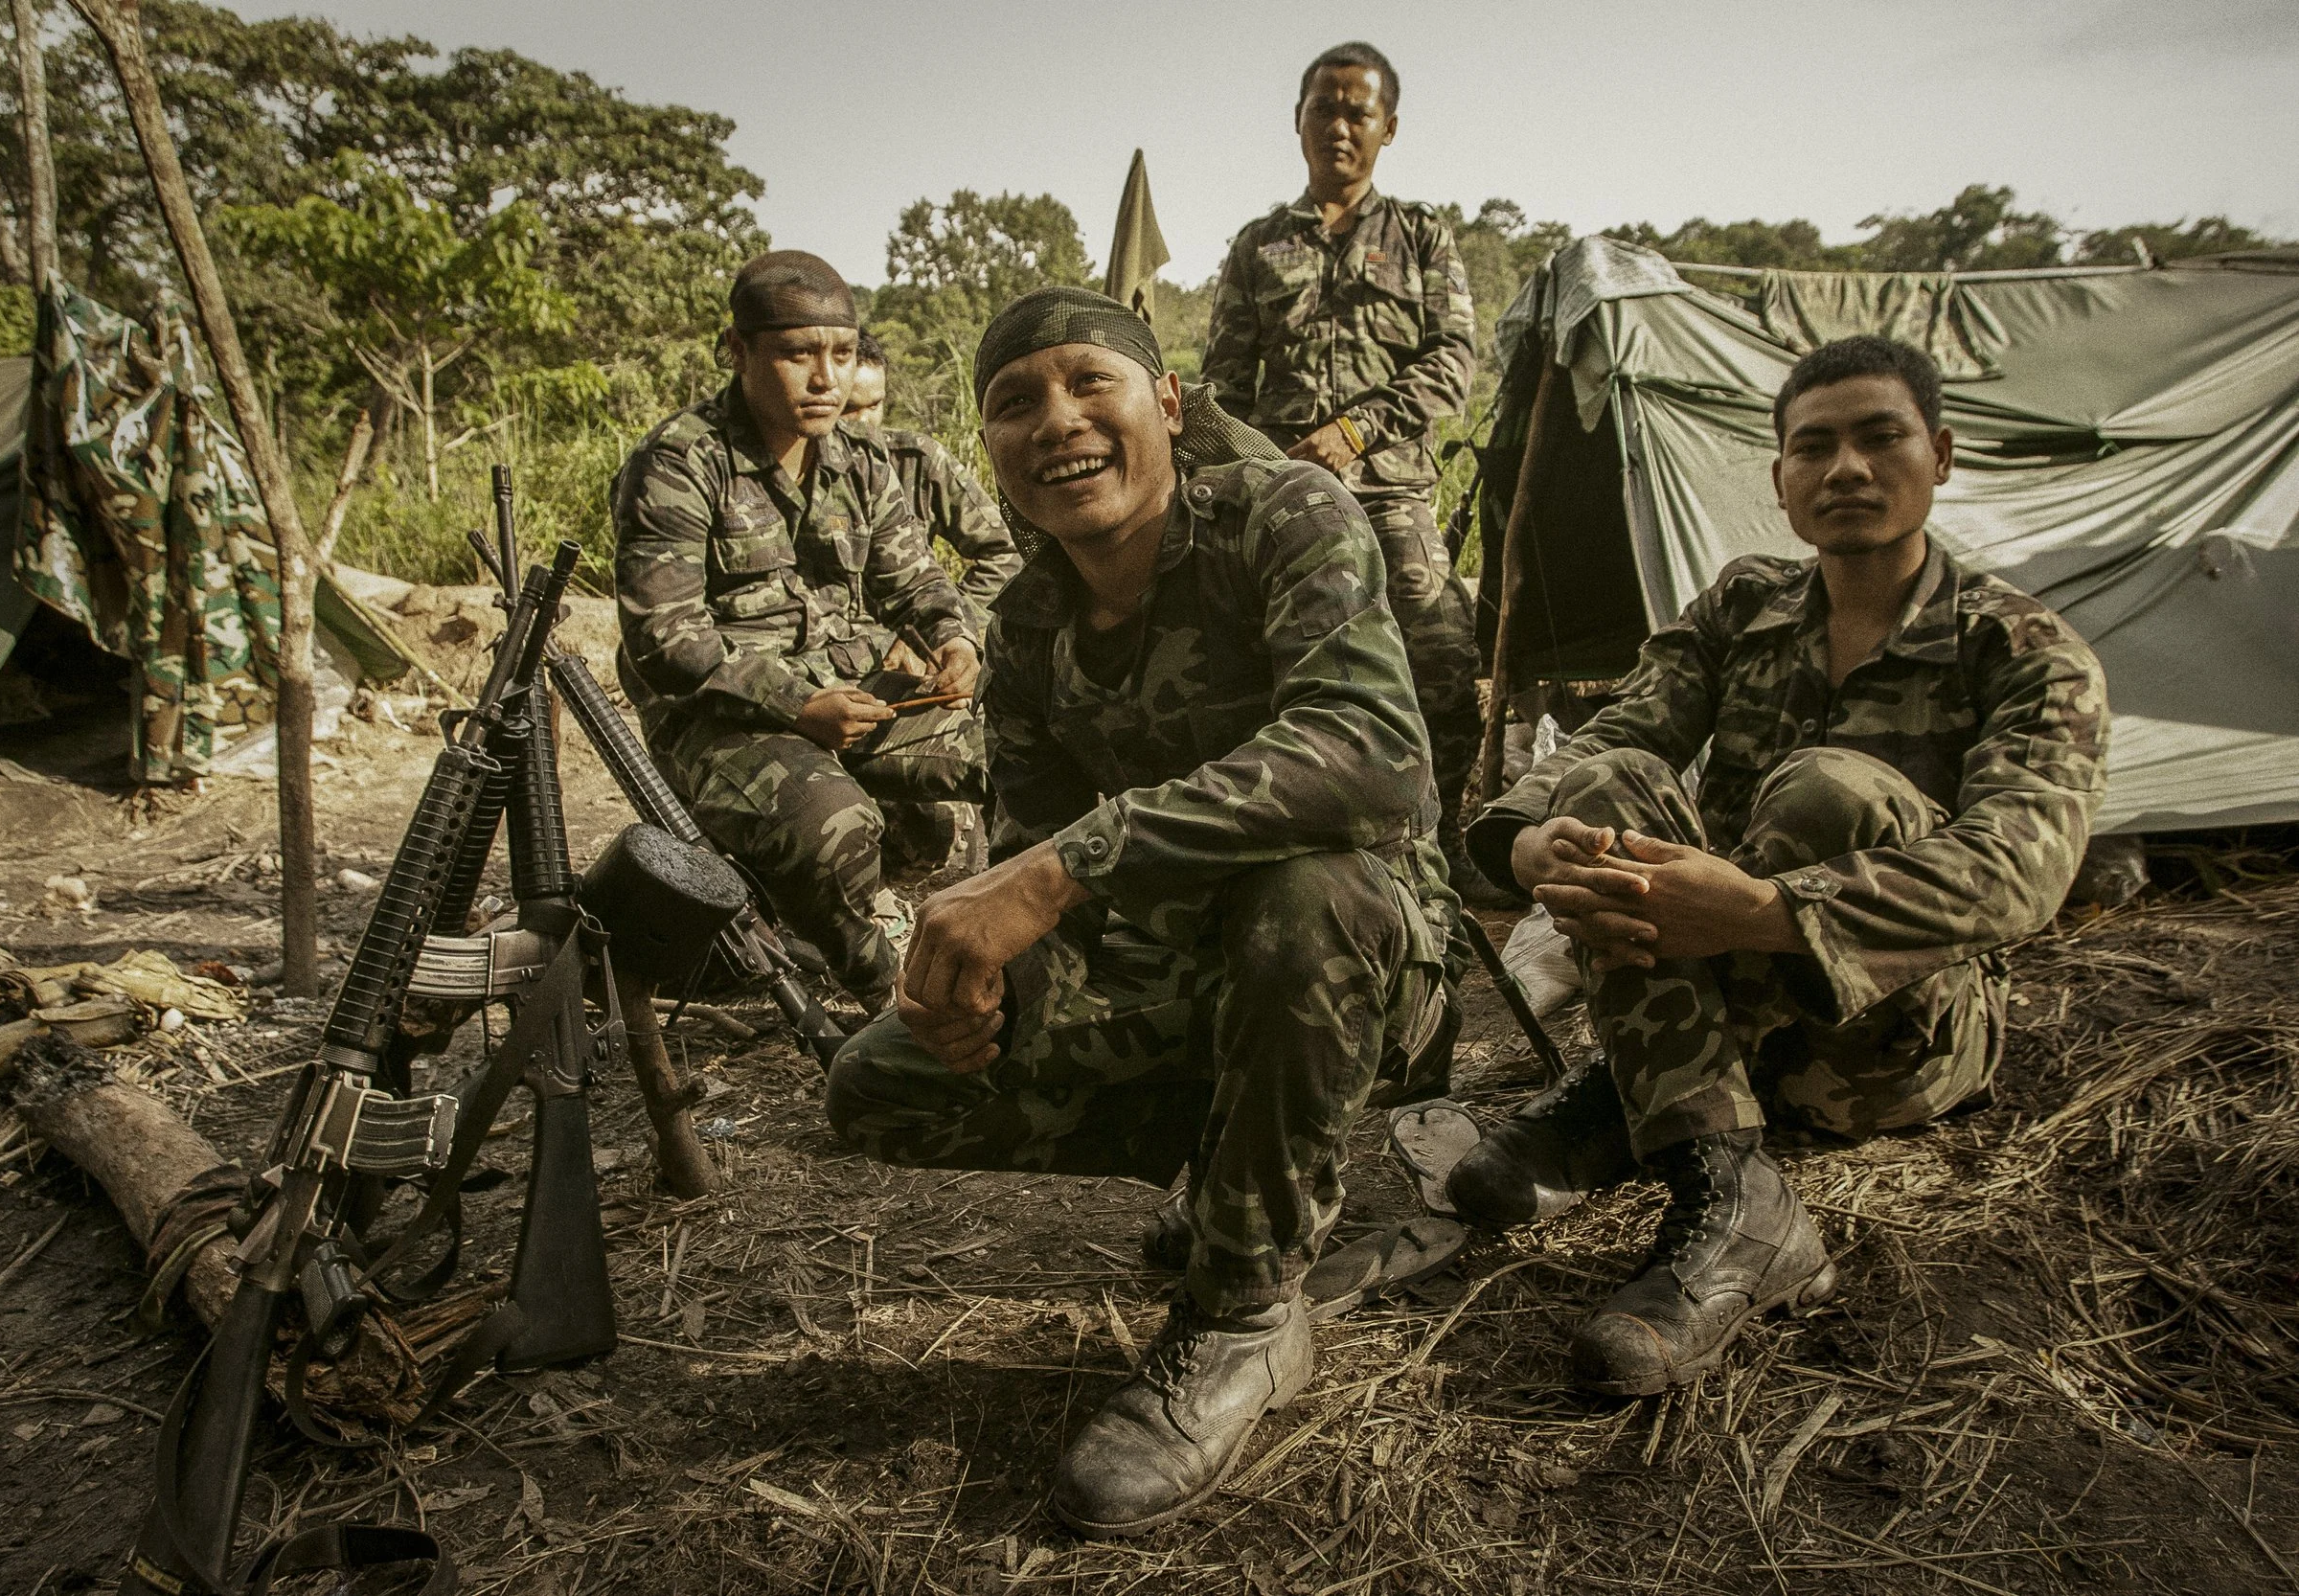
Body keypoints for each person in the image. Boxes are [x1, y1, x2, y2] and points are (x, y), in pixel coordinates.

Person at [826, 287, 1458, 1536]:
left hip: (1366, 959)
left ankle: (1244, 1314)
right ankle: (1241, 1161)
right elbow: (1030, 863)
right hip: (1179, 965)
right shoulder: (1024, 622)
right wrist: (986, 982)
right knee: (879, 1077)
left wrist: (1061, 870)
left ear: (1166, 402)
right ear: (991, 450)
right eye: (1015, 403)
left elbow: (1372, 750)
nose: (1056, 422)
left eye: (1088, 384)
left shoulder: (1284, 515)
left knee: (1303, 899)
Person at [1453, 335, 2109, 1396]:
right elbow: (1618, 732)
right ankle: (1724, 1173)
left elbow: (2018, 871)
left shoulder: (2021, 649)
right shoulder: (1743, 604)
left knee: (1826, 790)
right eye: (1814, 447)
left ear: (1937, 455)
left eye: (1878, 437)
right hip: (1719, 1003)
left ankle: (1656, 1119)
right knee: (1610, 785)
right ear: (1781, 481)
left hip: (1887, 1045)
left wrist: (1762, 911)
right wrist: (1531, 840)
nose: (1845, 467)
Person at [612, 250, 985, 1010]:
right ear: (739, 352)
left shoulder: (861, 462)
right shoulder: (680, 462)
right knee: (832, 822)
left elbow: (913, 581)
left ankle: (1038, 948)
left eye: (842, 356)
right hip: (720, 718)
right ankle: (889, 999)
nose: (826, 380)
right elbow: (665, 636)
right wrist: (795, 706)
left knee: (1012, 745)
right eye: (798, 355)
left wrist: (957, 637)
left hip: (853, 700)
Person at [1202, 40, 1495, 905]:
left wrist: (1356, 430)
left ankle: (1444, 846)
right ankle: (1299, 839)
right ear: (1298, 122)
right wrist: (1251, 473)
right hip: (1283, 495)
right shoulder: (1257, 247)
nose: (1338, 125)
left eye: (1357, 111)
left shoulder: (1423, 237)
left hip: (1389, 490)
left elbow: (1454, 361)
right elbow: (1223, 385)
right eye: (1322, 109)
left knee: (1440, 654)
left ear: (1388, 128)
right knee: (1259, 664)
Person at [844, 329, 1024, 628]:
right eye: (849, 408)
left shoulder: (917, 461)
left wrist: (952, 628)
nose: (864, 423)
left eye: (874, 405)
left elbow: (1007, 551)